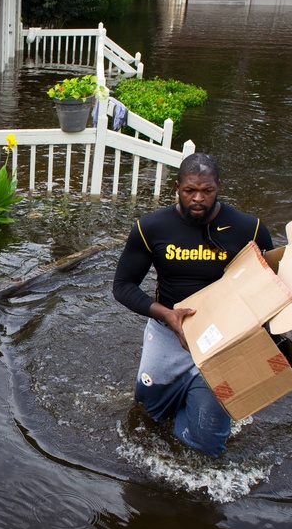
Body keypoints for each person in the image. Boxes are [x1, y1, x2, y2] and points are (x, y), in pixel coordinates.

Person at [112, 152, 273, 457]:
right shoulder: (151, 229)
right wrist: (166, 314)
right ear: (177, 187)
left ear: (218, 187)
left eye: (207, 191)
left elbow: (272, 286)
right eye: (190, 191)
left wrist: (264, 340)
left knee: (205, 443)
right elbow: (122, 286)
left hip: (223, 341)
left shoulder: (249, 230)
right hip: (168, 334)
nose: (198, 198)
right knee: (149, 417)